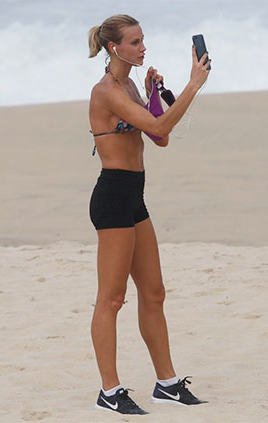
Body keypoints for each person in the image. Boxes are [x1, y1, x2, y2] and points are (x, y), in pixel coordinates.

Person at [87, 14, 211, 415]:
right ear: (114, 48)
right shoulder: (106, 91)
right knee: (112, 299)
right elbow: (159, 126)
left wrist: (154, 92)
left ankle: (167, 383)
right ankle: (109, 391)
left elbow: (160, 137)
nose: (143, 48)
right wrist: (194, 84)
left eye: (144, 40)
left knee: (154, 293)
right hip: (112, 198)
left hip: (134, 197)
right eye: (135, 42)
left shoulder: (129, 86)